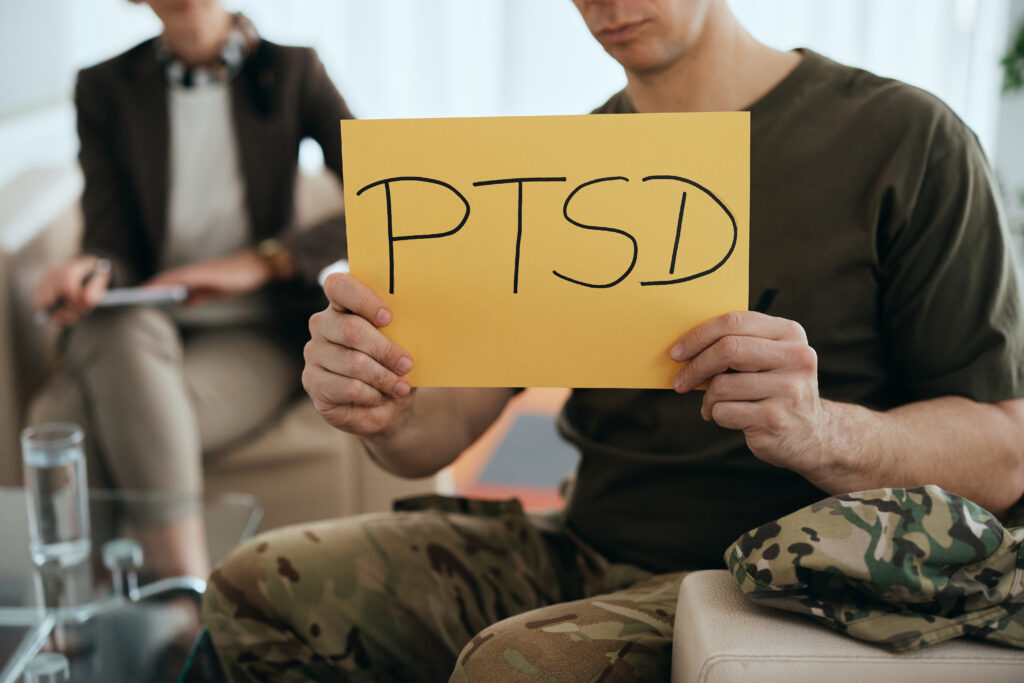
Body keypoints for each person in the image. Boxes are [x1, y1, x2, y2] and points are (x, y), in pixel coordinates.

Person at [202, 0, 1024, 680]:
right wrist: (381, 409)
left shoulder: (907, 140)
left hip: (777, 582)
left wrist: (824, 430)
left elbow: (1005, 449)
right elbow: (436, 434)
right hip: (583, 546)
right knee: (252, 587)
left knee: (510, 666)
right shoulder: (568, 163)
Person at [29, 0, 352, 577]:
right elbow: (111, 241)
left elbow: (378, 194)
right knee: (117, 323)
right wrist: (93, 269)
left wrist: (263, 261)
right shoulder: (103, 86)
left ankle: (97, 612)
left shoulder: (294, 70)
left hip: (255, 331)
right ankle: (184, 591)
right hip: (149, 320)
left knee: (66, 415)